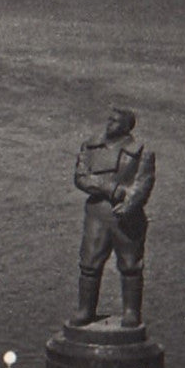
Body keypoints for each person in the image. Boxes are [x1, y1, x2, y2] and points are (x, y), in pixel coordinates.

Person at [70, 106, 155, 328]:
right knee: (89, 264)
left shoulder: (142, 152)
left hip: (127, 217)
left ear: (127, 126)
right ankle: (86, 310)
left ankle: (131, 312)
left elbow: (143, 184)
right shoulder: (91, 147)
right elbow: (80, 177)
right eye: (109, 119)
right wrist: (110, 188)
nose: (109, 124)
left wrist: (128, 205)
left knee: (130, 265)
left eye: (116, 121)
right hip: (97, 215)